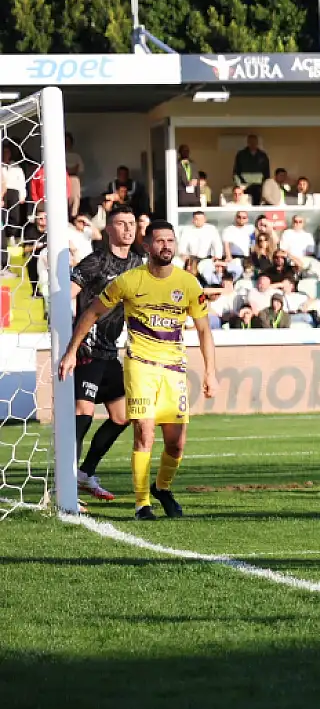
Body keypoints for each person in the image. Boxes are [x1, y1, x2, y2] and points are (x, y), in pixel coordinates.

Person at [57, 221, 217, 519]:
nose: (166, 246)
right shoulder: (129, 281)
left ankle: (162, 488)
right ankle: (142, 503)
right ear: (147, 246)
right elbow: (91, 312)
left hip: (175, 370)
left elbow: (205, 330)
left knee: (176, 442)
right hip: (140, 366)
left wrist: (211, 373)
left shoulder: (188, 284)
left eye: (170, 240)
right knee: (144, 432)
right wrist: (70, 352)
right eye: (159, 241)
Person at [67, 204, 145, 502]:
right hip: (87, 349)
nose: (128, 229)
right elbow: (67, 295)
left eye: (132, 224)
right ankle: (67, 481)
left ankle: (85, 473)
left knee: (122, 416)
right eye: (122, 223)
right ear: (109, 229)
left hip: (110, 351)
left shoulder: (139, 263)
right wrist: (72, 340)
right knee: (83, 413)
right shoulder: (95, 262)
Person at [233, 134, 269, 202]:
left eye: (254, 142)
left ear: (257, 142)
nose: (253, 144)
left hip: (259, 186)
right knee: (245, 205)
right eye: (251, 142)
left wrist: (265, 187)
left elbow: (266, 172)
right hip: (244, 186)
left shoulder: (262, 155)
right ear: (248, 142)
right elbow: (236, 172)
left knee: (257, 206)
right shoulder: (241, 155)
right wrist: (239, 185)